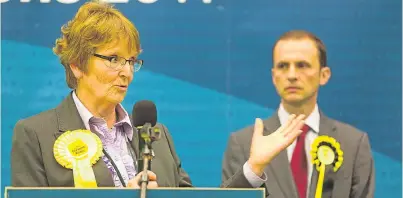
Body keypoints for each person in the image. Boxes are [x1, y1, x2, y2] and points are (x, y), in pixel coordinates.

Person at [11, 1, 192, 188]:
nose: (127, 72)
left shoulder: (158, 136)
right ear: (77, 65)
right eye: (114, 59)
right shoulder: (35, 135)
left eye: (131, 61)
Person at [221, 30, 375, 198]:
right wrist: (254, 168)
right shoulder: (243, 144)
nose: (292, 75)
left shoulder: (354, 144)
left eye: (302, 65)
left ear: (324, 75)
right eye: (283, 66)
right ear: (274, 77)